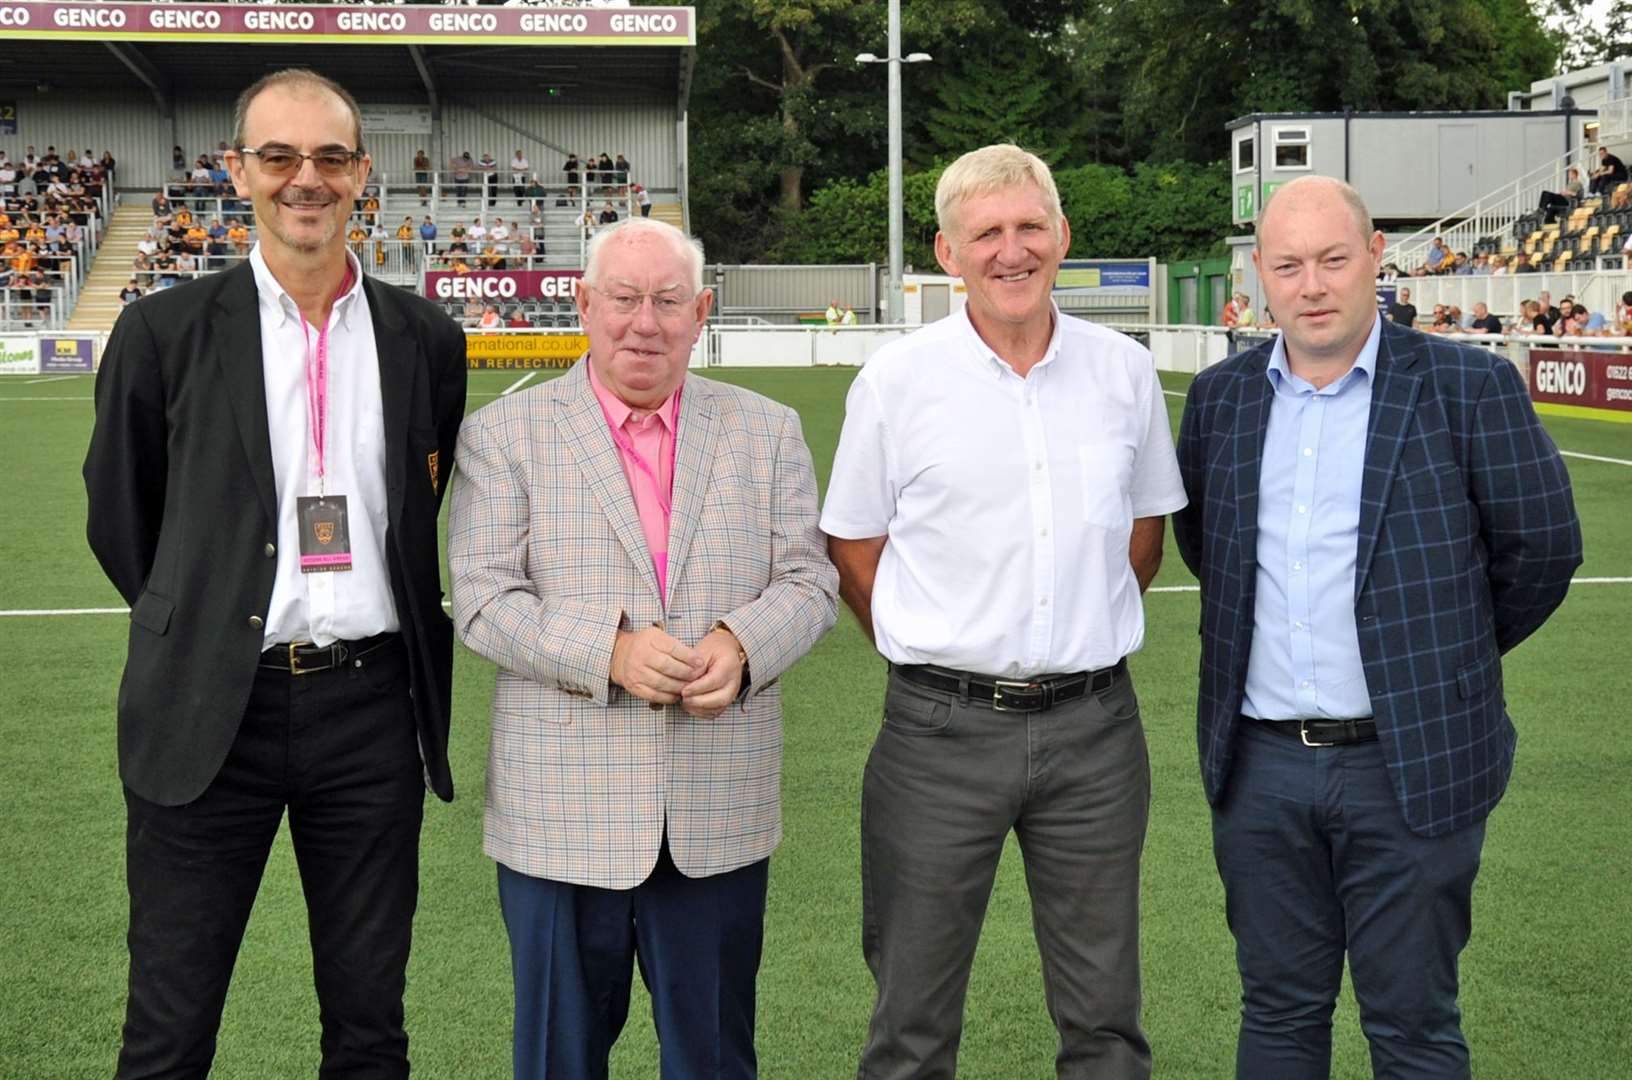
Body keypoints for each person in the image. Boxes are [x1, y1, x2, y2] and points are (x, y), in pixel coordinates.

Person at [82, 69, 468, 1079]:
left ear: (362, 175)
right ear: (237, 172)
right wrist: (206, 619)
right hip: (210, 710)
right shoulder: (162, 333)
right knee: (168, 1033)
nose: (308, 178)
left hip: (372, 711)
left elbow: (427, 492)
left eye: (331, 157)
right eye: (280, 157)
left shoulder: (424, 337)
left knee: (370, 1029)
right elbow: (125, 519)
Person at [1173, 175, 1581, 1080]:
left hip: (1413, 765)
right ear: (1262, 277)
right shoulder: (1221, 400)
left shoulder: (1469, 386)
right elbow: (1213, 552)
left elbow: (1542, 551)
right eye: (1288, 265)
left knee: (1413, 1028)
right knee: (1277, 1015)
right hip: (1262, 767)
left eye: (1331, 260)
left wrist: (1437, 658)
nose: (1311, 285)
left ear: (1374, 261)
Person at [822, 144, 1186, 1080]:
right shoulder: (896, 383)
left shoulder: (1124, 373)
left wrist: (1072, 637)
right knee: (911, 1020)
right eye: (987, 233)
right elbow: (853, 551)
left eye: (1029, 227)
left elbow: (1141, 541)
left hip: (1096, 733)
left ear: (1061, 235)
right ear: (948, 252)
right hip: (936, 736)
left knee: (1106, 1020)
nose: (1011, 251)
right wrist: (937, 659)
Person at [447, 216, 837, 1078]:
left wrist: (742, 643)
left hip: (715, 812)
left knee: (714, 1058)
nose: (644, 322)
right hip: (560, 817)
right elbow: (481, 599)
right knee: (558, 1060)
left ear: (701, 312)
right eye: (623, 299)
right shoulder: (505, 435)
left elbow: (811, 580)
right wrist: (610, 653)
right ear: (583, 304)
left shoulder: (767, 430)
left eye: (667, 301)